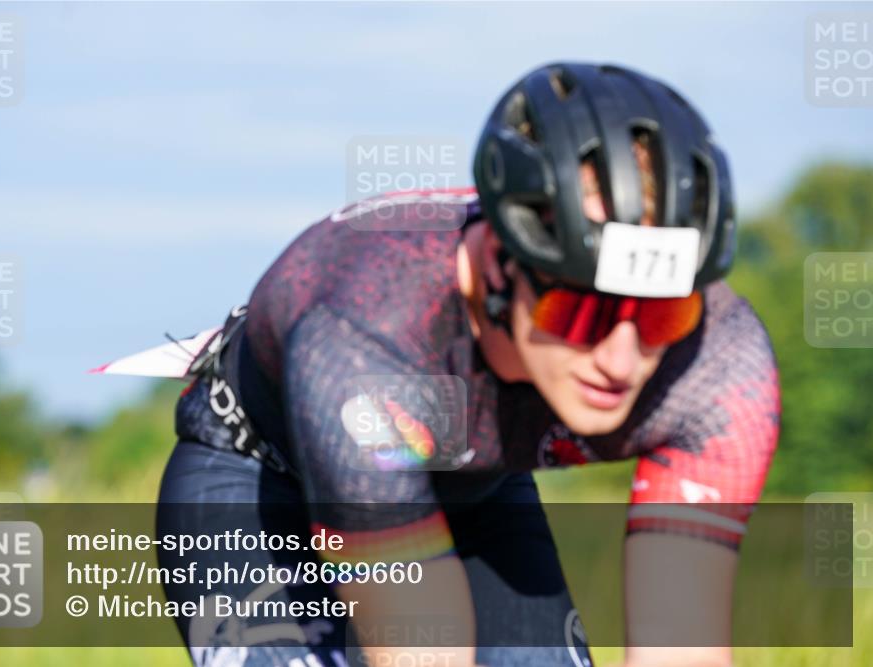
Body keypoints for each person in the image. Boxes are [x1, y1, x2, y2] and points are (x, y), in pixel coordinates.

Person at [156, 62, 780, 667]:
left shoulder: (720, 367)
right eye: (579, 313)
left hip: (475, 486)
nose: (621, 361)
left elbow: (681, 652)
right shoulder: (368, 337)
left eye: (658, 318)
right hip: (263, 487)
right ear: (497, 266)